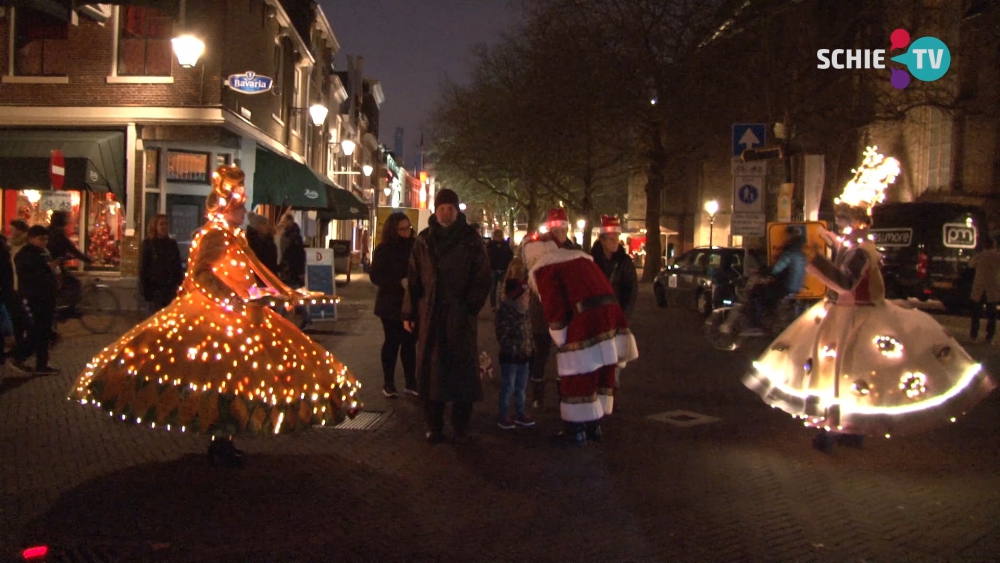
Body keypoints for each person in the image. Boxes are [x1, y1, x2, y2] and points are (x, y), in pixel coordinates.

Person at [68, 165, 360, 467]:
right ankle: (219, 439)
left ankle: (224, 439)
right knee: (221, 378)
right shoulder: (215, 236)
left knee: (234, 381)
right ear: (229, 206)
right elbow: (201, 273)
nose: (246, 210)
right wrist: (232, 299)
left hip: (239, 313)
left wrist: (270, 293)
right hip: (219, 316)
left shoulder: (232, 236)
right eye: (242, 205)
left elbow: (245, 275)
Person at [743, 147, 995, 446]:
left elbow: (845, 282)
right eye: (838, 216)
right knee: (830, 374)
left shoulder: (863, 249)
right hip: (837, 317)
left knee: (855, 375)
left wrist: (814, 258)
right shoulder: (852, 243)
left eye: (844, 216)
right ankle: (836, 427)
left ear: (859, 218)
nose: (839, 221)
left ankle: (844, 429)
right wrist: (828, 244)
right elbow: (841, 256)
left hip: (859, 319)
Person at [522, 238, 638, 446]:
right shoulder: (578, 260)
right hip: (610, 312)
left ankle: (575, 430)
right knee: (601, 370)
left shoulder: (545, 269)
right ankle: (594, 426)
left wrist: (560, 336)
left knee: (575, 373)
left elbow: (554, 308)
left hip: (586, 318)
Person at [402, 188, 492, 444]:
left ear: (456, 210)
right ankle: (434, 424)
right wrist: (410, 311)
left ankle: (461, 424)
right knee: (431, 374)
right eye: (442, 207)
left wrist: (469, 307)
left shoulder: (471, 240)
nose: (445, 212)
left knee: (462, 372)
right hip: (430, 316)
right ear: (435, 209)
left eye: (450, 208)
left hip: (460, 317)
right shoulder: (424, 240)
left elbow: (482, 277)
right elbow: (414, 277)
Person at [528, 208, 581, 410]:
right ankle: (537, 396)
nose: (559, 232)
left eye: (562, 228)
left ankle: (563, 395)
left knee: (565, 357)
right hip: (542, 312)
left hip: (565, 313)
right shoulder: (538, 249)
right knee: (540, 355)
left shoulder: (573, 250)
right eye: (555, 228)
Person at [370, 212, 417, 398]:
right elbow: (376, 276)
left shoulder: (415, 247)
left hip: (409, 303)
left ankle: (411, 382)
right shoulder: (383, 250)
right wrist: (398, 282)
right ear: (393, 230)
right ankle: (388, 383)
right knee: (392, 342)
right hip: (390, 303)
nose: (406, 232)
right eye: (402, 229)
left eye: (408, 228)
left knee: (409, 343)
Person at [12, 225, 59, 376]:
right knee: (37, 331)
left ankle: (41, 363)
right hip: (34, 298)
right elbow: (32, 276)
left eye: (46, 239)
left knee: (43, 331)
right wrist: (48, 269)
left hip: (45, 298)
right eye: (41, 239)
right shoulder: (26, 254)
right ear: (31, 238)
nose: (44, 242)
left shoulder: (43, 253)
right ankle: (18, 356)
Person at [494, 257, 535, 429]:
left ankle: (520, 413)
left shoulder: (523, 311)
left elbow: (527, 330)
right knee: (509, 386)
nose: (527, 299)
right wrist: (512, 348)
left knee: (520, 387)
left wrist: (530, 347)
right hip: (511, 353)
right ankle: (503, 415)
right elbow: (502, 332)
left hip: (523, 352)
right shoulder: (508, 307)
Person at [743, 226, 807, 336]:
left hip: (786, 286)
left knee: (756, 293)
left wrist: (764, 272)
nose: (786, 237)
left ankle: (756, 324)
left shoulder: (790, 252)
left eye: (788, 235)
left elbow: (777, 269)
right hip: (795, 287)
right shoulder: (800, 252)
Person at [47, 211, 93, 319]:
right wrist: (87, 259)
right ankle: (69, 310)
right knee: (75, 284)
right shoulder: (59, 234)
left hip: (48, 266)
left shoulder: (48, 231)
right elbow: (72, 249)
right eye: (66, 219)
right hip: (56, 267)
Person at [591, 215, 638, 318]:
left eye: (617, 237)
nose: (615, 241)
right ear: (602, 240)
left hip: (617, 314)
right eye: (611, 239)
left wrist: (623, 315)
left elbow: (631, 290)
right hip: (596, 316)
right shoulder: (591, 261)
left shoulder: (624, 262)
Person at [139, 213, 184, 313]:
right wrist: (145, 290)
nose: (164, 227)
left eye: (166, 224)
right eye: (161, 224)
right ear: (155, 226)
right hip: (154, 289)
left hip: (169, 289)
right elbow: (143, 268)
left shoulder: (172, 244)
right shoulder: (148, 244)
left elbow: (177, 266)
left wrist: (180, 284)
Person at [278, 222, 311, 330]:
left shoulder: (290, 240)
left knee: (286, 296)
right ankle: (306, 318)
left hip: (289, 273)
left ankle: (280, 318)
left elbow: (290, 257)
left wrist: (284, 267)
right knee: (293, 296)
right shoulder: (296, 239)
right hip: (293, 273)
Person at [968, 237, 1000, 344]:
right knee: (992, 315)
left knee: (976, 314)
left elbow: (971, 265)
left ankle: (973, 335)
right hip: (992, 288)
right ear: (994, 246)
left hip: (979, 288)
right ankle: (989, 337)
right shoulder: (997, 256)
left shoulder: (979, 256)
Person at [487, 229, 514, 311]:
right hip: (493, 269)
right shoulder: (490, 245)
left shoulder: (505, 245)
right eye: (497, 236)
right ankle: (493, 305)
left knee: (504, 288)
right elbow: (488, 256)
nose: (499, 237)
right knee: (493, 288)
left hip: (503, 269)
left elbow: (510, 256)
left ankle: (502, 304)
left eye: (500, 236)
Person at [246, 212, 279, 280]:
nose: (266, 226)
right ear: (257, 226)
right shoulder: (252, 242)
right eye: (264, 224)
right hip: (259, 277)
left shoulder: (267, 239)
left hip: (268, 276)